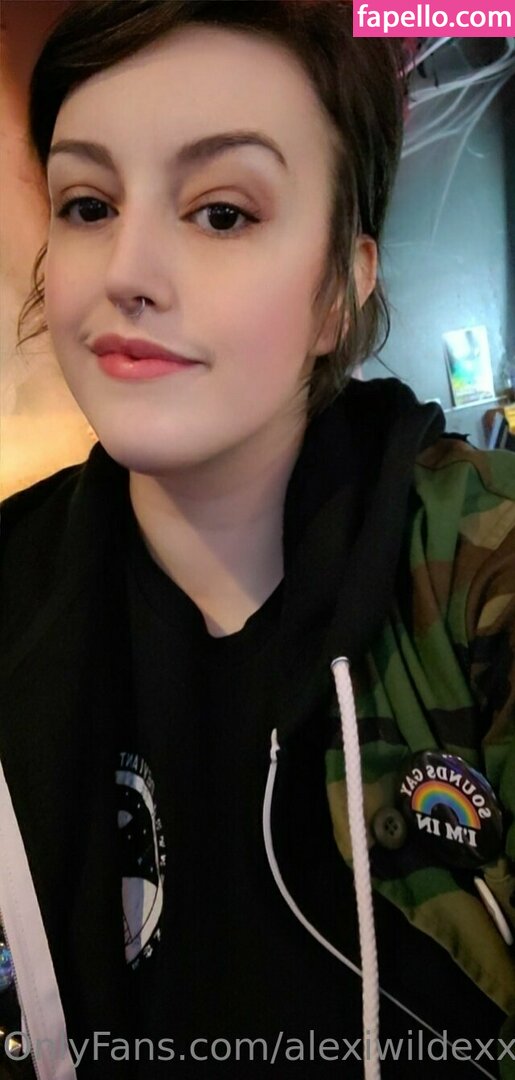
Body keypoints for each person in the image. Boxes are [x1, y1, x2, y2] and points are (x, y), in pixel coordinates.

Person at [1, 2, 514, 1078]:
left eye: (222, 213)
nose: (127, 270)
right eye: (88, 204)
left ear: (342, 288)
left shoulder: (482, 562)